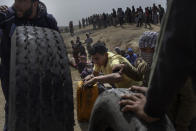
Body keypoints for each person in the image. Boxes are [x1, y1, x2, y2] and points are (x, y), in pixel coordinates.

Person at [119, 0, 196, 129]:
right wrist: (125, 68)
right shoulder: (145, 64)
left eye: (146, 49)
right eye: (142, 50)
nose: (143, 53)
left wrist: (182, 124)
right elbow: (138, 75)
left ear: (155, 48)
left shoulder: (176, 68)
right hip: (162, 115)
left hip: (178, 121)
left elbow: (190, 100)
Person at [0, 1, 58, 131]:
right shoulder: (6, 16)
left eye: (21, 1)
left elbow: (57, 48)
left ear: (35, 4)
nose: (15, 5)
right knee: (13, 114)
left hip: (41, 79)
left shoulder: (48, 21)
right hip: (11, 78)